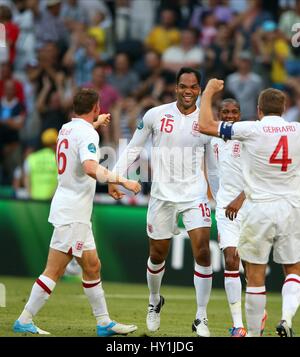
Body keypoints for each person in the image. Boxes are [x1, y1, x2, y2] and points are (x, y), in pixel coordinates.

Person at [13, 88, 141, 336]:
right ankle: (24, 319)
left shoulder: (66, 128)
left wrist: (96, 122)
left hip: (73, 209)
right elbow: (91, 167)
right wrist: (122, 180)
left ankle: (104, 323)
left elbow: (81, 139)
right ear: (96, 107)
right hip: (73, 212)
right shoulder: (88, 133)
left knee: (92, 265)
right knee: (55, 270)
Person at [108, 67, 219, 337]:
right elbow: (133, 146)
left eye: (193, 87)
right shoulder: (156, 115)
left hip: (194, 195)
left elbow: (213, 166)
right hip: (161, 195)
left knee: (203, 251)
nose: (188, 91)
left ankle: (201, 317)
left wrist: (220, 196)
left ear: (200, 90)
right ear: (176, 88)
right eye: (183, 86)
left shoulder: (206, 122)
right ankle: (154, 300)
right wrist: (115, 177)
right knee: (157, 255)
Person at [198, 79, 300, 337]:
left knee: (255, 277)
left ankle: (253, 333)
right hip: (290, 208)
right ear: (285, 107)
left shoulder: (251, 130)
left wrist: (208, 91)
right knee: (293, 270)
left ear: (258, 110)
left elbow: (205, 125)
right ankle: (286, 318)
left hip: (258, 207)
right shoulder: (297, 130)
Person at [211, 99, 247, 337]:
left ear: (240, 114)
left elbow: (260, 176)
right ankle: (238, 325)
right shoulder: (213, 139)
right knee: (231, 260)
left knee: (253, 267)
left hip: (250, 206)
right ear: (219, 114)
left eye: (234, 112)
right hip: (225, 209)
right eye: (225, 112)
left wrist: (240, 199)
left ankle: (258, 312)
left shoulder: (248, 138)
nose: (230, 115)